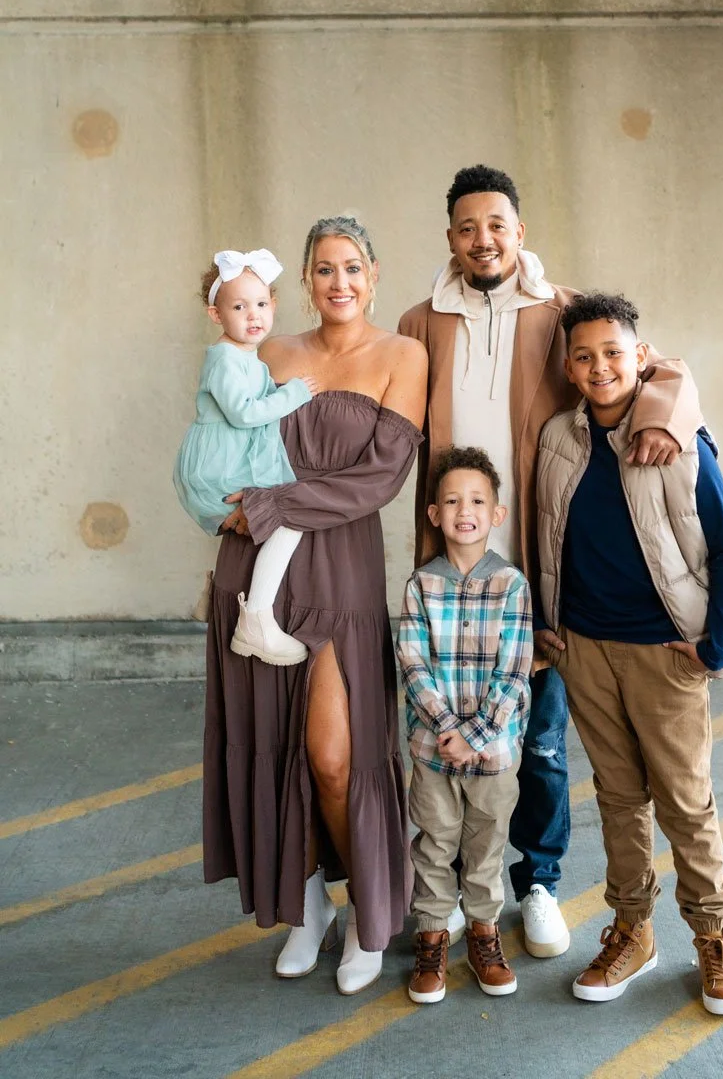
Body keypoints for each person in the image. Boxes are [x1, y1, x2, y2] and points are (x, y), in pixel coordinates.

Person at [398, 164, 703, 958]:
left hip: (540, 564)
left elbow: (658, 365)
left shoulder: (560, 310)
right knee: (446, 742)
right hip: (453, 568)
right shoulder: (420, 321)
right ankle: (459, 895)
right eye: (467, 228)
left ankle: (537, 883)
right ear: (450, 239)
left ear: (519, 231)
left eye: (496, 224)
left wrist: (664, 415)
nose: (482, 239)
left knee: (537, 741)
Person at [202, 215, 428, 996]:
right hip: (255, 562)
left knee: (338, 758)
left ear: (374, 275)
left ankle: (367, 910)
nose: (339, 282)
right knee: (273, 745)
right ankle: (305, 906)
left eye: (353, 268)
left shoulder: (403, 355)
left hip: (339, 565)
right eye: (324, 269)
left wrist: (271, 505)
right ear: (304, 279)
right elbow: (223, 440)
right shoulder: (268, 349)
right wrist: (221, 503)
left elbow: (380, 478)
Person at [536, 292, 723, 1015]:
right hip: (586, 650)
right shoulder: (557, 440)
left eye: (613, 353)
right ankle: (632, 930)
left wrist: (713, 647)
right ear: (568, 367)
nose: (600, 366)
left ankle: (714, 940)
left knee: (686, 804)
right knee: (619, 798)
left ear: (641, 358)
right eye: (584, 355)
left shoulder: (677, 438)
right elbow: (548, 540)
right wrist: (552, 628)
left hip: (665, 653)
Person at [397, 446, 532, 1004]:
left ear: (496, 514)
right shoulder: (420, 585)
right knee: (434, 844)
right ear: (434, 514)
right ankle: (431, 940)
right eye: (451, 500)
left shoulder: (512, 585)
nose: (464, 510)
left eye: (477, 500)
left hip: (495, 753)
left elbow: (516, 669)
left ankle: (482, 934)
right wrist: (449, 728)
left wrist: (474, 736)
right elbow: (411, 661)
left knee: (486, 847)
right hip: (433, 749)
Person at [174, 248, 319, 666]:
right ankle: (254, 618)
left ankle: (241, 608)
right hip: (217, 468)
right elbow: (244, 413)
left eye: (260, 304)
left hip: (234, 459)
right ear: (216, 315)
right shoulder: (222, 358)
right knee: (289, 521)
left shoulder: (246, 357)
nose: (252, 315)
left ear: (273, 306)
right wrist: (293, 394)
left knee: (285, 521)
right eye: (238, 306)